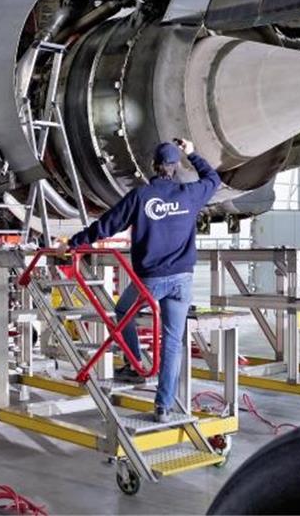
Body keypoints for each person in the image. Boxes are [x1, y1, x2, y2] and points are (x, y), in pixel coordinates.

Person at [65, 138, 220, 423]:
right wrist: (192, 153)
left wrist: (76, 242)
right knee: (172, 342)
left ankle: (135, 363)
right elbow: (214, 178)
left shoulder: (142, 196)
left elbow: (107, 225)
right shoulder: (191, 194)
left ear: (153, 166)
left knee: (123, 312)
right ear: (175, 168)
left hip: (150, 280)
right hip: (182, 280)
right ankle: (162, 407)